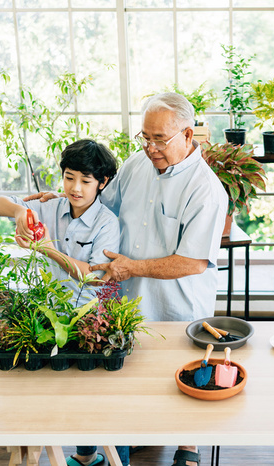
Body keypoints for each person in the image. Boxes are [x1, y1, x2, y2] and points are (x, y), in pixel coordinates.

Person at [28, 92, 228, 466]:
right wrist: (66, 196)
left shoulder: (206, 189)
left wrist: (132, 267)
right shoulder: (138, 164)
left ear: (188, 135)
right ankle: (143, 432)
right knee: (136, 374)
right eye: (145, 137)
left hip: (179, 302)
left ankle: (188, 446)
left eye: (160, 139)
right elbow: (104, 204)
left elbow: (193, 262)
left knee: (184, 376)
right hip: (129, 296)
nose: (150, 147)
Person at [0, 139, 129, 466]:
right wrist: (20, 210)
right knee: (56, 394)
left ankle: (114, 459)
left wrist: (45, 246)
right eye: (69, 177)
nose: (75, 188)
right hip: (48, 313)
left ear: (102, 182)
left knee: (99, 399)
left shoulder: (107, 223)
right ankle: (84, 456)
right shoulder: (50, 206)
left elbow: (93, 278)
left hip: (90, 319)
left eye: (85, 180)